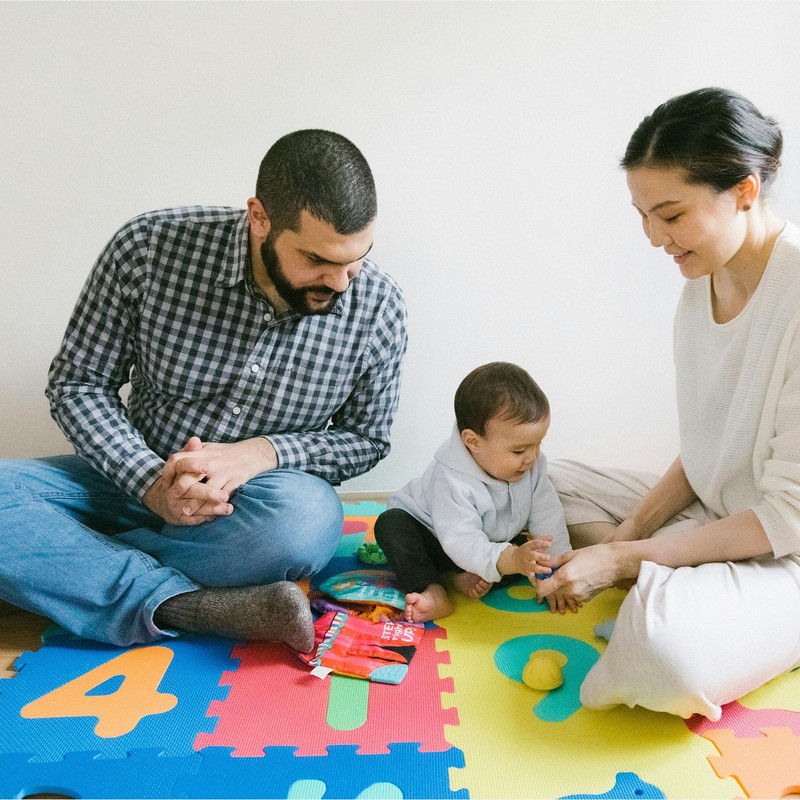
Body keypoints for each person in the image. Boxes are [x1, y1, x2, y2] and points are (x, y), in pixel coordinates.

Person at [0, 130, 408, 652]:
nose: (341, 283)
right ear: (259, 218)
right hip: (126, 477)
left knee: (308, 522)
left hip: (248, 515)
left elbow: (366, 439)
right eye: (317, 261)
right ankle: (182, 605)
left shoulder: (379, 308)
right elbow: (79, 383)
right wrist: (149, 481)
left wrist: (264, 452)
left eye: (356, 261)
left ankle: (54, 568)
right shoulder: (148, 248)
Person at [538, 87, 800, 719]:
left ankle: (685, 600)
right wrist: (629, 533)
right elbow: (709, 447)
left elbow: (787, 518)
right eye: (643, 216)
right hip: (719, 510)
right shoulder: (701, 284)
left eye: (672, 215)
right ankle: (680, 583)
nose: (656, 237)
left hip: (786, 547)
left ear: (743, 191)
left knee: (663, 653)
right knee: (544, 480)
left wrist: (622, 556)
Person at [375, 362, 576, 623]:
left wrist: (555, 573)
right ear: (473, 442)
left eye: (538, 444)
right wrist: (510, 559)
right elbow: (460, 539)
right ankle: (433, 589)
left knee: (530, 554)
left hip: (490, 542)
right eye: (519, 451)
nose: (532, 457)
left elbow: (548, 515)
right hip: (436, 537)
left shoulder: (533, 465)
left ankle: (464, 576)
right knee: (391, 525)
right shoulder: (451, 478)